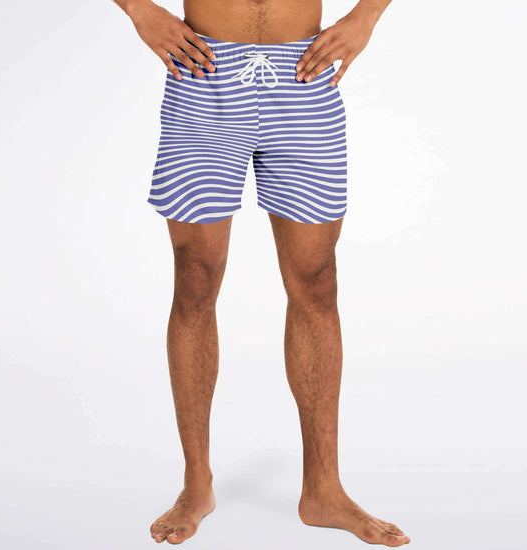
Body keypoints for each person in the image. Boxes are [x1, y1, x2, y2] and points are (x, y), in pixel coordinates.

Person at [112, 0, 410, 546]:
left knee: (317, 281)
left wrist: (366, 15)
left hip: (304, 75)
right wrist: (138, 10)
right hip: (203, 74)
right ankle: (196, 484)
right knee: (195, 278)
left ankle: (323, 490)